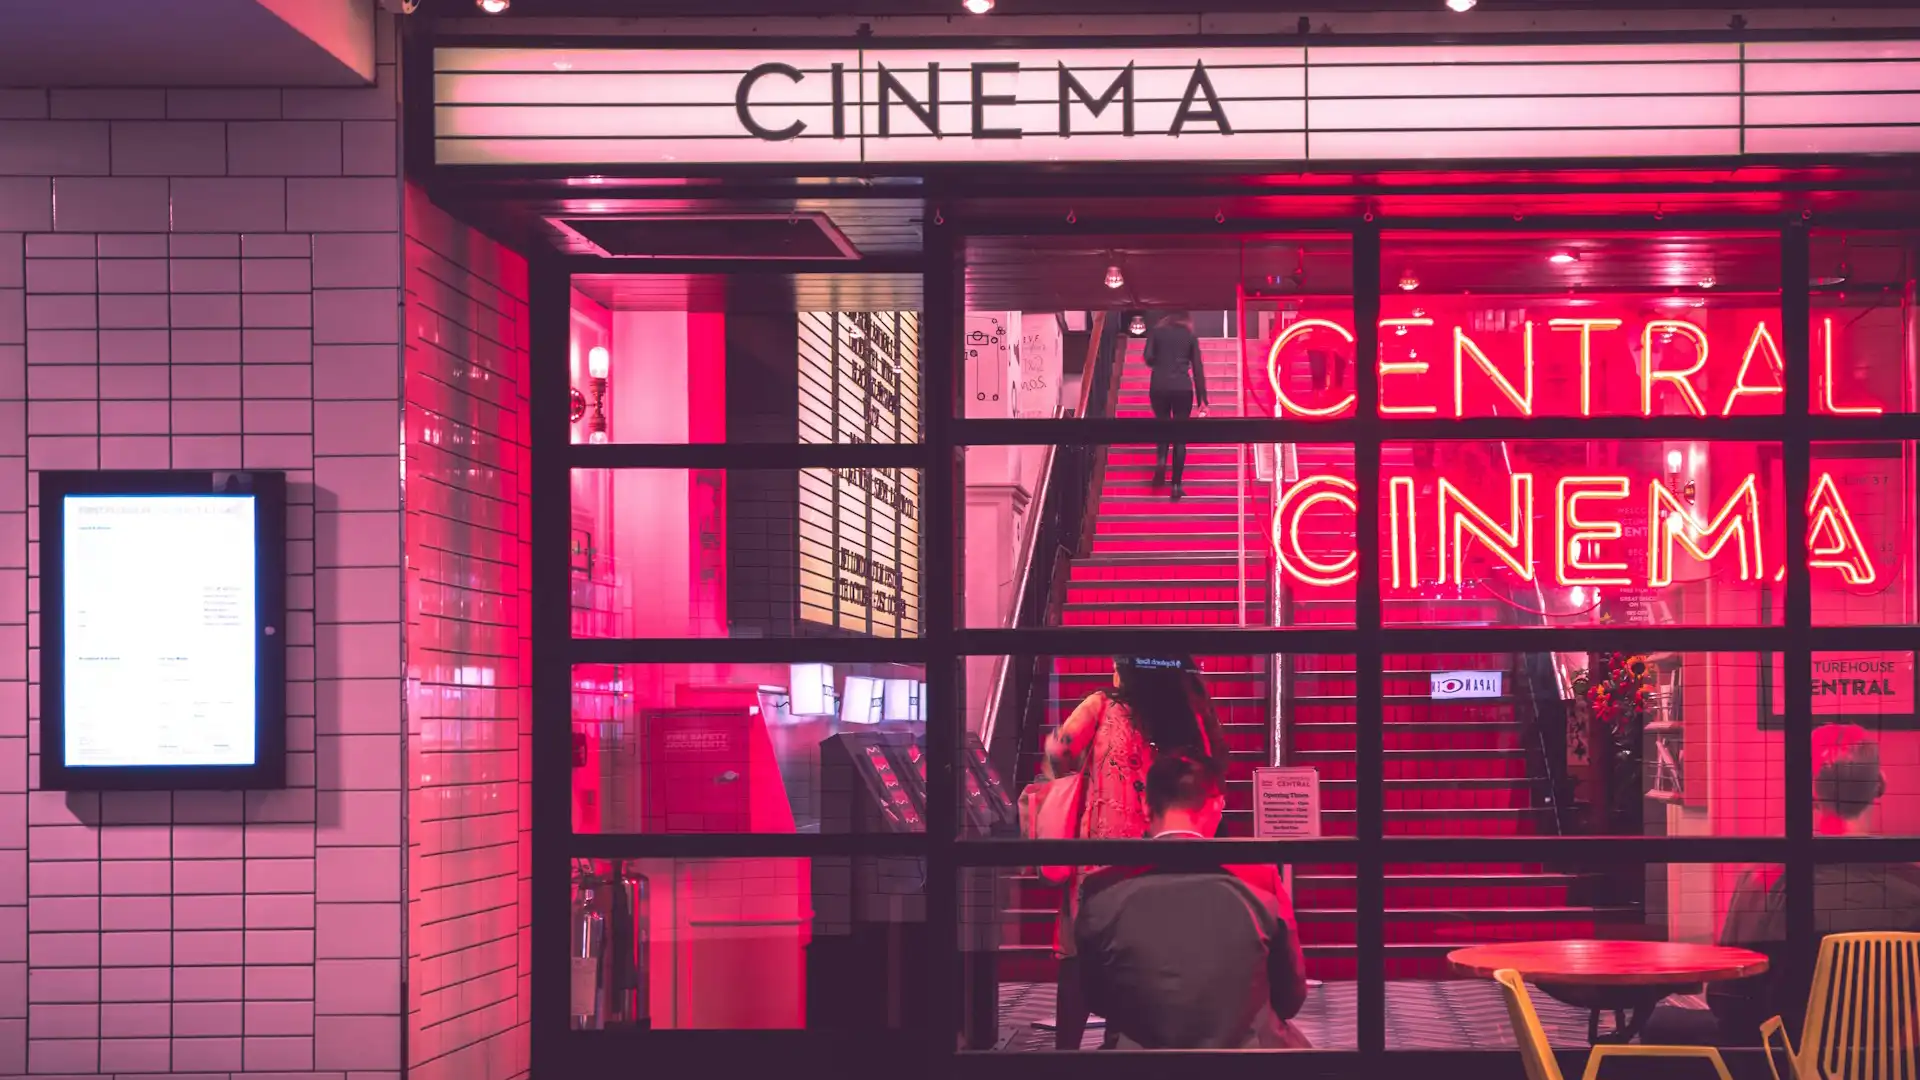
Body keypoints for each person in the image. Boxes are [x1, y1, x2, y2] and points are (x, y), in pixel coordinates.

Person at [1042, 655, 1231, 1049]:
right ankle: (1121, 1042)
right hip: (1152, 851)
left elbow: (1060, 753)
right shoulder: (1175, 716)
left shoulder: (1101, 704)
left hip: (1096, 851)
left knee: (1078, 951)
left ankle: (1065, 1053)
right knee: (1134, 948)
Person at [1073, 750, 1311, 1049]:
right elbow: (1290, 995)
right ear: (1216, 807)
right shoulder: (1259, 882)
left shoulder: (1103, 888)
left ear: (1146, 807)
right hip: (1245, 1061)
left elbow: (1096, 996)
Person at [1700, 725, 1920, 1043]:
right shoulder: (1912, 889)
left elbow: (1727, 997)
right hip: (1888, 1064)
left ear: (1807, 791)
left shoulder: (1762, 881)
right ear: (1880, 785)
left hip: (1783, 1061)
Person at [1143, 312, 1208, 501]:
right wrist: (1202, 399)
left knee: (1162, 424)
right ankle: (1176, 485)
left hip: (1159, 386)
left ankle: (1162, 459)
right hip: (1182, 387)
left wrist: (1162, 364)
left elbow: (1148, 357)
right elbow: (1197, 367)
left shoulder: (1156, 332)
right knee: (1180, 436)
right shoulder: (1189, 336)